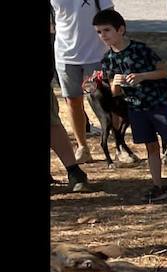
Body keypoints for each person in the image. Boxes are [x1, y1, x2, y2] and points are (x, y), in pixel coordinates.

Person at [93, 9, 167, 202]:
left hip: (158, 104)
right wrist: (116, 84)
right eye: (99, 32)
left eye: (107, 30)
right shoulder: (108, 60)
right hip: (135, 109)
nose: (103, 36)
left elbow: (163, 72)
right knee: (150, 147)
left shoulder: (140, 49)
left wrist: (141, 76)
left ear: (121, 30)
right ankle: (158, 186)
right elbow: (115, 92)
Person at [52, 0, 115, 165]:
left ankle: (119, 146)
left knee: (108, 102)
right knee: (73, 102)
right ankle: (82, 147)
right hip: (65, 55)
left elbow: (111, 16)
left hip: (97, 54)